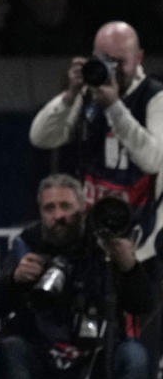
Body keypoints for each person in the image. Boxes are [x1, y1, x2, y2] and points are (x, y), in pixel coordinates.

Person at [0, 174, 154, 379]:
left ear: (82, 208)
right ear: (41, 212)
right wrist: (14, 279)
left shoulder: (103, 242)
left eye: (66, 207)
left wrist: (129, 267)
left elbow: (143, 304)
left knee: (136, 356)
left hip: (95, 359)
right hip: (42, 357)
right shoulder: (27, 242)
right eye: (50, 209)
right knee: (10, 348)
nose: (59, 216)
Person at [29, 21, 163, 264]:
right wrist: (70, 96)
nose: (112, 68)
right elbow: (41, 137)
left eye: (120, 61)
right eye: (104, 59)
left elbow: (153, 161)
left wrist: (114, 108)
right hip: (92, 236)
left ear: (139, 57)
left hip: (144, 240)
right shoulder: (87, 93)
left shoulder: (155, 97)